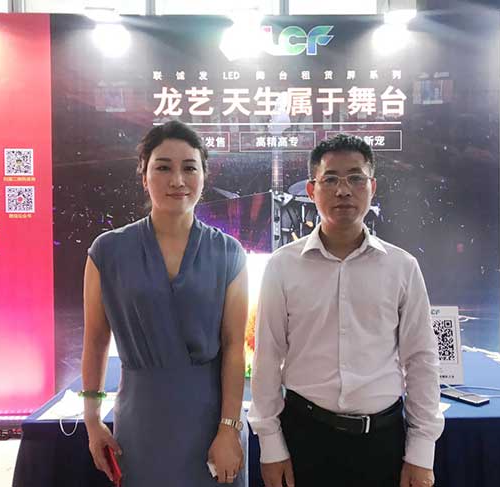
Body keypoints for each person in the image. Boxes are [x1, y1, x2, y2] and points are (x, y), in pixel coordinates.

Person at [248, 134, 444, 487]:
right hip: (305, 436)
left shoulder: (402, 267)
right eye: (331, 179)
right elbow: (267, 357)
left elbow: (421, 359)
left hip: (382, 441)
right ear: (312, 190)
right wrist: (270, 444)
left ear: (372, 187)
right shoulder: (282, 266)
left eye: (355, 178)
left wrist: (421, 451)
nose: (343, 190)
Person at [81, 121, 249, 486]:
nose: (177, 180)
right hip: (140, 421)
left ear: (204, 176)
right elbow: (95, 340)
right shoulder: (107, 252)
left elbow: (235, 346)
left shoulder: (228, 253)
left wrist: (229, 428)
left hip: (212, 423)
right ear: (144, 176)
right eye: (163, 167)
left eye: (189, 167)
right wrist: (92, 420)